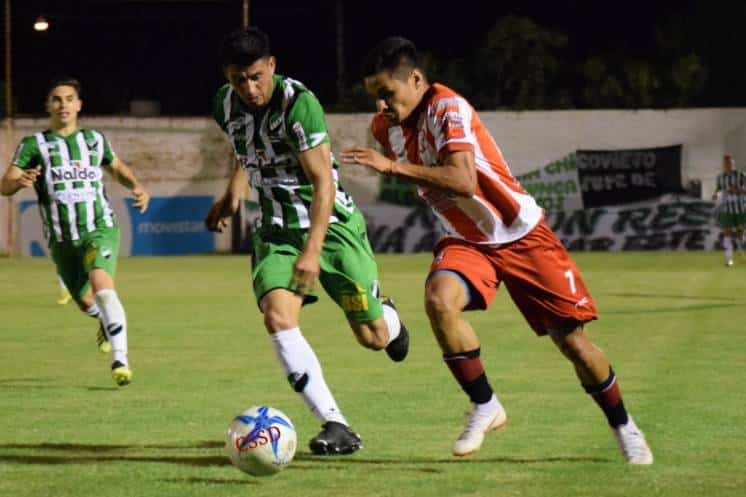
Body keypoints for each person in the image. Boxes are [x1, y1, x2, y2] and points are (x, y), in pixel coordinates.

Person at [340, 37, 653, 464]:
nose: (381, 106)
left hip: (521, 233)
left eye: (387, 93)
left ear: (415, 79)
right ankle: (485, 404)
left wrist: (393, 166)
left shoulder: (448, 107)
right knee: (438, 300)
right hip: (468, 239)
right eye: (375, 97)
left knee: (574, 344)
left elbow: (464, 180)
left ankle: (624, 426)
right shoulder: (386, 128)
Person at [205, 27, 410, 456]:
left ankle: (389, 319)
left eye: (257, 76)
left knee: (373, 337)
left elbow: (322, 183)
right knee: (278, 317)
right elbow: (249, 152)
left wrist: (313, 250)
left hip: (330, 228)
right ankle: (335, 424)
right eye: (239, 79)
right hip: (276, 232)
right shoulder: (225, 105)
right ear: (227, 77)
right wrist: (230, 196)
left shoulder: (299, 104)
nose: (249, 88)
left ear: (272, 67)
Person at [1, 76, 149, 386]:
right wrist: (21, 181)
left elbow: (117, 167)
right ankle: (103, 323)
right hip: (61, 239)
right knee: (84, 301)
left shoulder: (94, 140)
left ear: (79, 105)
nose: (63, 104)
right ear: (48, 105)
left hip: (99, 227)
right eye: (57, 99)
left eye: (69, 99)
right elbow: (5, 184)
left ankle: (120, 359)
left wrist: (137, 186)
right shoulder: (33, 145)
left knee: (102, 283)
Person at [712, 154, 746, 266]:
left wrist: (738, 190)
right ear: (723, 165)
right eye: (726, 163)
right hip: (726, 209)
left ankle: (742, 253)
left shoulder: (741, 175)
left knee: (741, 235)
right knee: (727, 234)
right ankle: (729, 260)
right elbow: (718, 189)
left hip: (740, 209)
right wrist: (716, 195)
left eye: (730, 163)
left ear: (733, 164)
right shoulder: (720, 177)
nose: (728, 165)